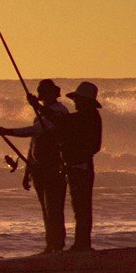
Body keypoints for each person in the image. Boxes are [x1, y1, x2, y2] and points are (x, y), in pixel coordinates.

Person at [0, 78, 70, 253]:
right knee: (45, 208)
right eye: (41, 92)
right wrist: (27, 171)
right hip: (38, 168)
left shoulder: (60, 111)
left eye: (45, 92)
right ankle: (50, 244)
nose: (42, 95)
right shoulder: (39, 115)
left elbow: (35, 130)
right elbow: (32, 143)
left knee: (54, 208)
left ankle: (57, 244)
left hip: (53, 166)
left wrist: (8, 131)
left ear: (53, 94)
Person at [59, 82, 102, 252]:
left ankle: (82, 244)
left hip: (80, 167)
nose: (75, 102)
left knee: (81, 208)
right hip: (80, 166)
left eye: (77, 99)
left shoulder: (86, 117)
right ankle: (82, 243)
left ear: (85, 101)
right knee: (81, 207)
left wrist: (38, 107)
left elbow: (63, 121)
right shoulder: (89, 116)